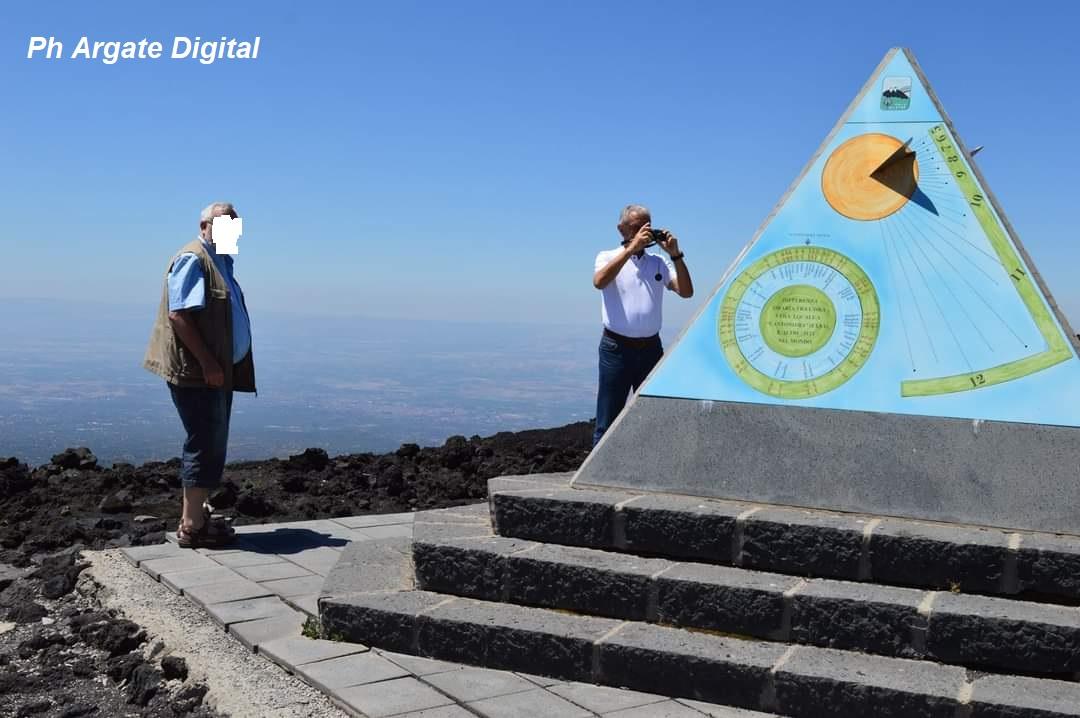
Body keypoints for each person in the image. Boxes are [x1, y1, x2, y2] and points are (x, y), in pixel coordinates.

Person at [143, 202, 256, 548]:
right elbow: (179, 316)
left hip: (216, 371)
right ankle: (192, 526)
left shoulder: (221, 261)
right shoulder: (194, 258)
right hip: (198, 372)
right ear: (205, 225)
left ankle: (197, 514)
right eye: (224, 227)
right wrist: (208, 363)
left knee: (212, 441)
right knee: (204, 442)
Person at [591, 204, 693, 446]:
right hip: (616, 348)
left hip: (650, 349)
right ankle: (596, 475)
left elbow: (686, 292)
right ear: (622, 229)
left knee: (651, 415)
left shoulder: (658, 262)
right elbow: (599, 281)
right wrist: (630, 250)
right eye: (637, 227)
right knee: (608, 416)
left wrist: (675, 254)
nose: (643, 232)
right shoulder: (607, 257)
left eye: (647, 226)